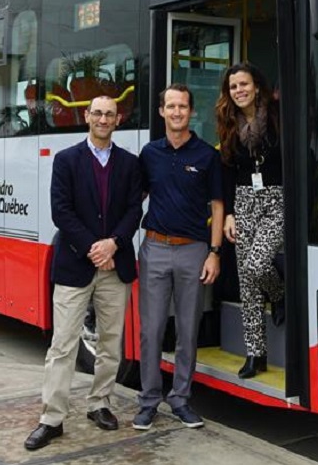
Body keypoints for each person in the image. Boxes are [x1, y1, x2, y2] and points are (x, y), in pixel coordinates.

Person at [24, 96, 143, 451]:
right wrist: (95, 248)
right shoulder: (66, 160)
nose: (103, 119)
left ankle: (100, 404)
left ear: (117, 120)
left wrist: (114, 245)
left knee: (110, 343)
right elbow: (61, 212)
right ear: (87, 116)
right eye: (97, 113)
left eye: (110, 114)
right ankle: (52, 418)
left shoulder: (130, 164)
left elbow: (134, 210)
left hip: (114, 264)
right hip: (76, 263)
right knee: (63, 345)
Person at [134, 84, 224, 430]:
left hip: (193, 251)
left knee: (188, 330)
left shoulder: (206, 155)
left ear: (191, 112)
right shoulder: (149, 154)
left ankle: (181, 399)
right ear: (161, 112)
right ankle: (148, 401)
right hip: (155, 248)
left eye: (182, 107)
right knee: (151, 330)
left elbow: (218, 206)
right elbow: (136, 196)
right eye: (170, 106)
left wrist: (214, 253)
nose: (176, 112)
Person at [215, 62, 284, 379]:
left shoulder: (277, 114)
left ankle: (280, 294)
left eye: (244, 84)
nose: (239, 91)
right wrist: (229, 212)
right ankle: (255, 354)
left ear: (256, 86)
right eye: (233, 87)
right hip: (244, 201)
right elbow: (228, 170)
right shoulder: (228, 122)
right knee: (247, 283)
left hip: (277, 199)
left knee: (257, 265)